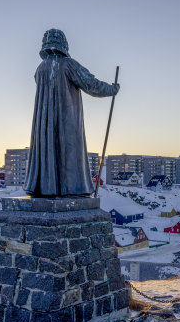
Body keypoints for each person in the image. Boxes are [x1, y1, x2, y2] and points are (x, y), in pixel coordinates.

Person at [24, 29, 119, 197]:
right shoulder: (67, 64)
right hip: (66, 119)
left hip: (44, 124)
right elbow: (91, 84)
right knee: (68, 152)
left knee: (49, 150)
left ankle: (47, 188)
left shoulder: (40, 69)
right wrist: (112, 89)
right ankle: (72, 189)